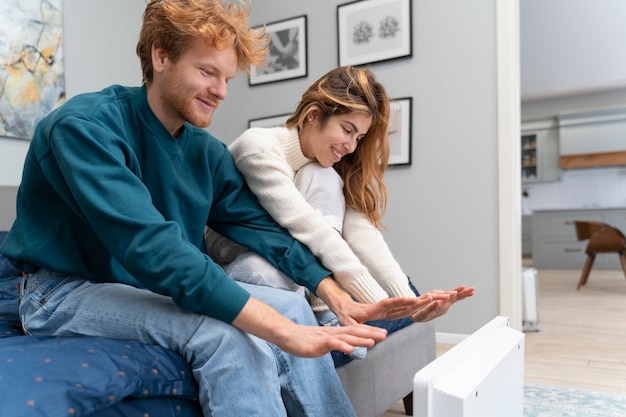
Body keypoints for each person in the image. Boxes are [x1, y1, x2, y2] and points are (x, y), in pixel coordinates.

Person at [0, 2, 442, 417]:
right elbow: (152, 248)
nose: (222, 91)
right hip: (59, 293)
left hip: (147, 290)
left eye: (227, 78)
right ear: (160, 56)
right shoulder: (84, 128)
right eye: (208, 73)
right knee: (229, 336)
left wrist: (334, 294)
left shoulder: (205, 153)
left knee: (288, 307)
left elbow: (264, 230)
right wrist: (284, 334)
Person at [219, 66, 475, 336]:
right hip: (240, 262)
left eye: (359, 137)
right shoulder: (259, 148)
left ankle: (329, 309)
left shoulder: (323, 166)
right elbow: (309, 228)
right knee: (318, 178)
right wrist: (377, 303)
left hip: (292, 266)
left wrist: (408, 302)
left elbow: (363, 234)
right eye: (347, 130)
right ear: (313, 116)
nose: (352, 146)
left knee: (322, 175)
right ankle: (327, 312)